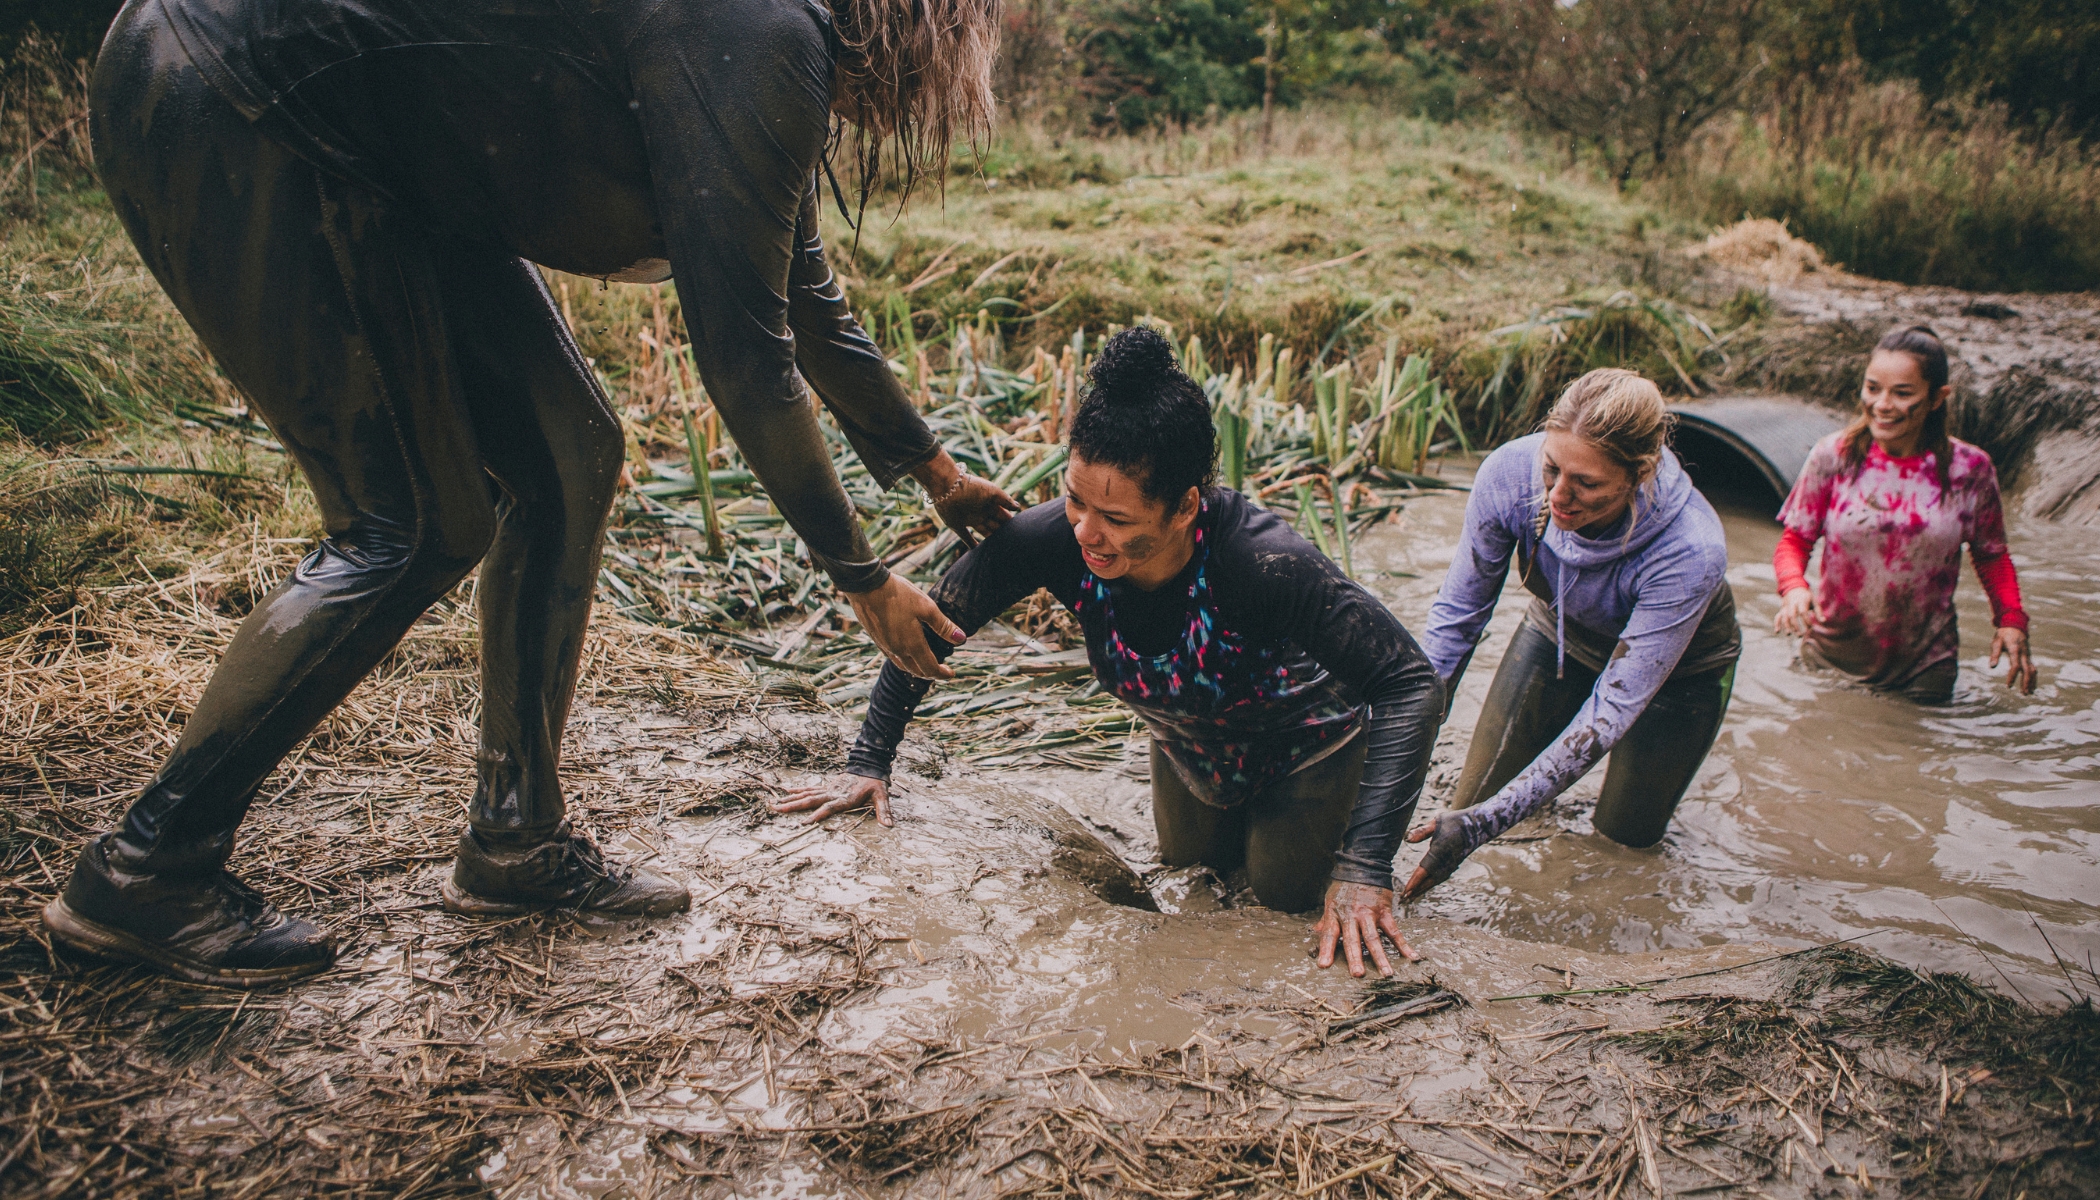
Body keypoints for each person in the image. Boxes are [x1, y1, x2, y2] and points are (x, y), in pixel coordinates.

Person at [42, 0, 1017, 987]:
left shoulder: (759, 47)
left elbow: (805, 302)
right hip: (231, 95)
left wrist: (936, 471)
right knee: (412, 523)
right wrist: (862, 578)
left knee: (568, 453)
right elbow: (748, 364)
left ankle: (516, 839)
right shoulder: (760, 30)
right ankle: (145, 872)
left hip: (397, 158)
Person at [775, 328, 1444, 977]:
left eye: (1118, 520)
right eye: (1074, 500)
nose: (1087, 534)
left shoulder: (1263, 563)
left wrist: (1364, 866)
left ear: (1184, 508)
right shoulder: (1055, 540)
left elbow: (1410, 684)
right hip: (1189, 747)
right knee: (1185, 884)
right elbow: (931, 626)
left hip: (1308, 753)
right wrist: (870, 762)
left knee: (1273, 911)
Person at [1401, 368, 1739, 901]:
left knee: (1622, 846)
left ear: (1640, 473)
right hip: (1559, 634)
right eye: (1552, 469)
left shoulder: (1691, 548)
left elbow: (1611, 711)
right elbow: (1456, 622)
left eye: (1586, 484)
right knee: (1468, 802)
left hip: (1681, 677)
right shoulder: (1511, 474)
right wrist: (1394, 745)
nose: (1558, 496)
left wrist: (1486, 824)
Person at [1772, 325, 2035, 702]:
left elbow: (1991, 555)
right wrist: (1794, 588)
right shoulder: (1834, 456)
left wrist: (2010, 621)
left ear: (1936, 398)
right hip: (1830, 658)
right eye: (1873, 388)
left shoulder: (1969, 470)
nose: (1881, 404)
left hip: (1925, 668)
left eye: (1902, 393)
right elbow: (1795, 539)